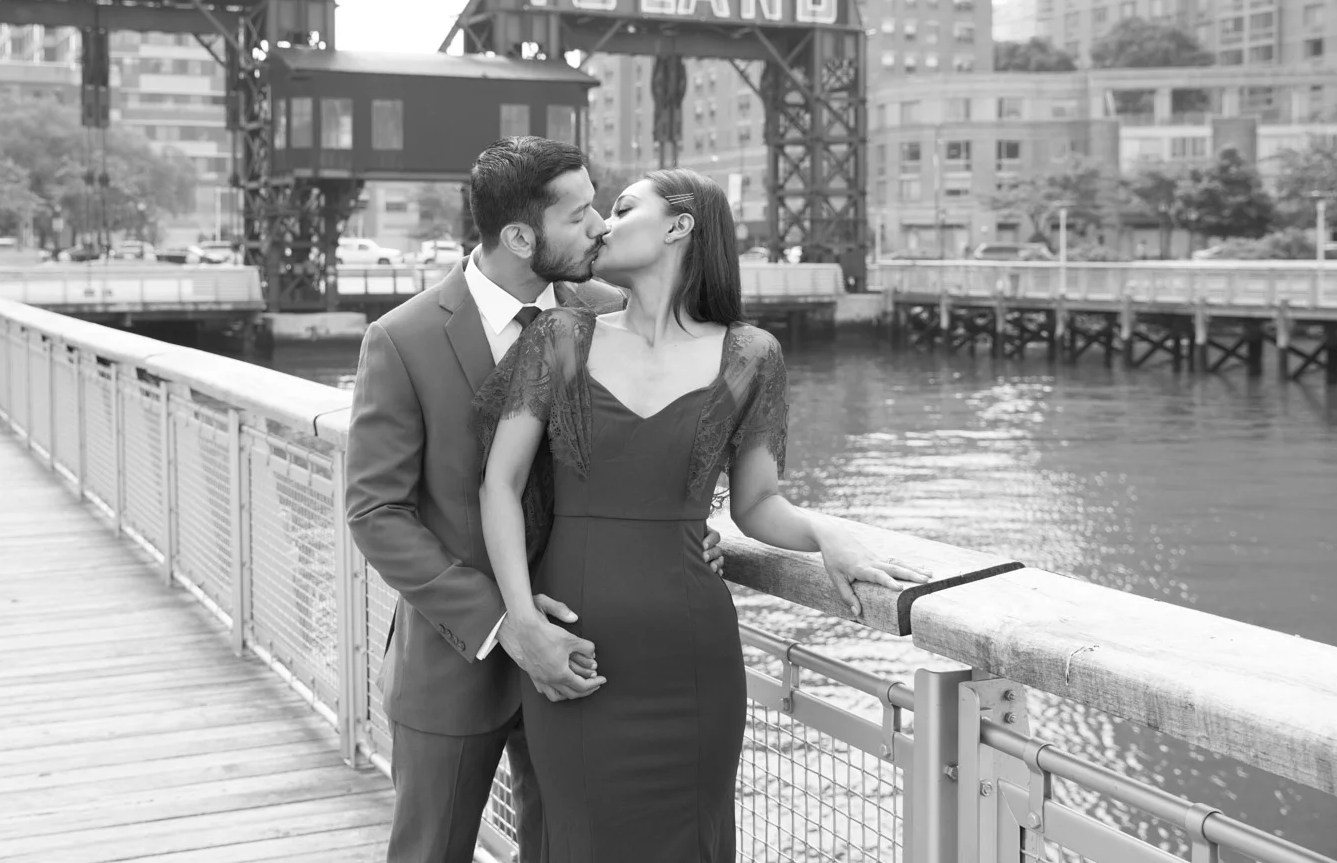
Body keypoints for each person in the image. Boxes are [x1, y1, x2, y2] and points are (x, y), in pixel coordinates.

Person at [476, 168, 930, 863]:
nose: (601, 224)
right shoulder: (560, 336)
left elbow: (758, 505)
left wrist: (824, 532)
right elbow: (499, 487)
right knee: (580, 839)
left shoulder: (751, 355)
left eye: (622, 208)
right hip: (574, 647)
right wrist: (524, 623)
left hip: (690, 659)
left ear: (680, 225)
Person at [344, 138, 726, 863]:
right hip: (455, 664)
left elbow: (651, 449)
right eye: (579, 216)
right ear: (521, 238)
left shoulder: (610, 315)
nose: (601, 228)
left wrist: (690, 530)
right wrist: (505, 624)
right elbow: (376, 513)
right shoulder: (401, 339)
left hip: (589, 659)